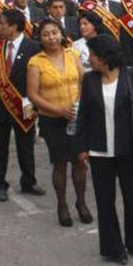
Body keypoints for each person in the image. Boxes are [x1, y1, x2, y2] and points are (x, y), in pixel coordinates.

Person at [77, 35, 133, 264]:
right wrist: (81, 148)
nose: (88, 58)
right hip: (99, 152)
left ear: (104, 56)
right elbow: (84, 115)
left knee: (131, 198)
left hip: (128, 148)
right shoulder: (90, 80)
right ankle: (113, 248)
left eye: (91, 54)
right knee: (104, 201)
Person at [26, 19, 89, 227]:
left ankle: (81, 202)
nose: (51, 37)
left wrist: (79, 105)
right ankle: (62, 205)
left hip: (77, 117)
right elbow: (33, 95)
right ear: (40, 38)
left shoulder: (72, 54)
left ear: (61, 34)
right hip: (52, 120)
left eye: (54, 32)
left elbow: (83, 80)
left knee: (80, 162)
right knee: (60, 163)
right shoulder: (36, 62)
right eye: (46, 34)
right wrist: (59, 111)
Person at [0, 9, 45, 202]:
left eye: (2, 23)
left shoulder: (33, 47)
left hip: (25, 104)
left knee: (25, 145)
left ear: (14, 26)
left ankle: (29, 181)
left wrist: (37, 104)